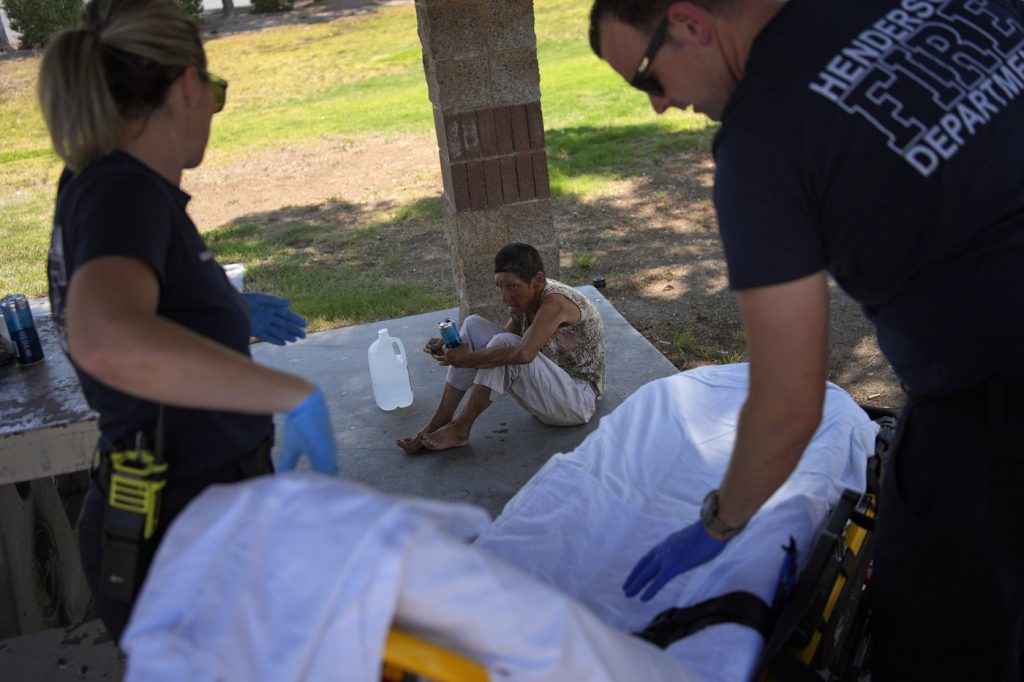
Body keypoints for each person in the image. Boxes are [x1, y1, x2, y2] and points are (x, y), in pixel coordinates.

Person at [589, 0, 1024, 679]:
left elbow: (788, 406)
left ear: (689, 22)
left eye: (648, 78)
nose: (659, 105)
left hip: (995, 405)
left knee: (934, 633)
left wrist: (718, 525)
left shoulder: (762, 137)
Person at [38, 0, 339, 643]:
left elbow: (145, 311)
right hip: (181, 531)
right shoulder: (123, 191)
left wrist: (226, 314)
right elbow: (106, 336)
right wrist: (293, 395)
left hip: (188, 520)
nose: (212, 112)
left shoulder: (102, 184)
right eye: (215, 93)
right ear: (186, 86)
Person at [397, 243, 606, 453]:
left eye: (512, 287)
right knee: (472, 325)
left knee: (505, 346)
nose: (505, 297)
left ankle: (461, 428)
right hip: (550, 389)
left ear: (538, 280)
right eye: (500, 287)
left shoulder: (556, 302)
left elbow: (522, 353)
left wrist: (466, 358)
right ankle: (440, 420)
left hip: (578, 401)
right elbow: (498, 345)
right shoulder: (528, 297)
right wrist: (452, 347)